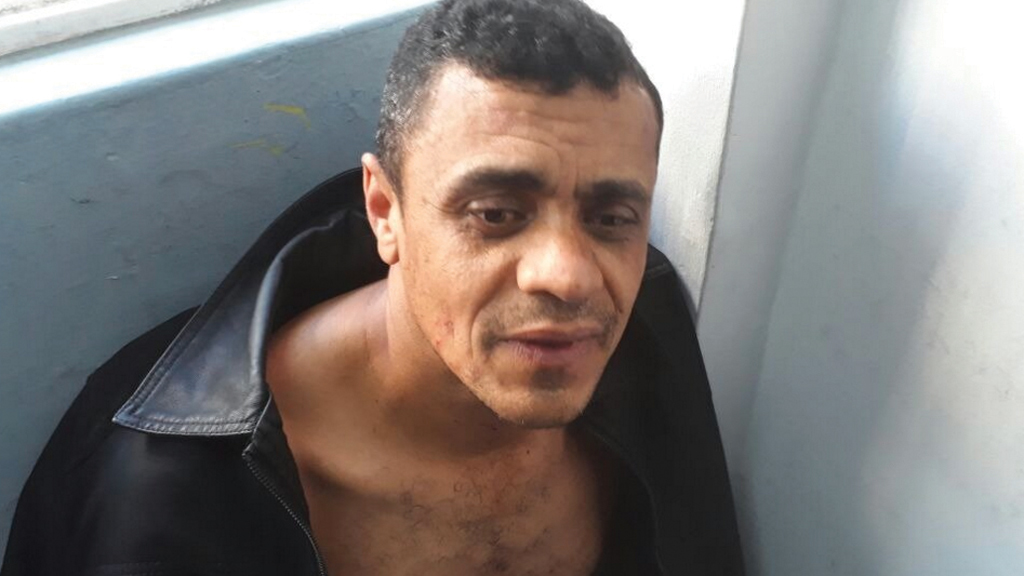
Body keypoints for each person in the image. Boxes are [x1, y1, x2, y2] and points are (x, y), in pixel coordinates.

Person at [1, 0, 743, 574]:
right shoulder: (165, 487)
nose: (568, 275)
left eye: (611, 218)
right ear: (385, 212)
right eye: (495, 214)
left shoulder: (650, 327)